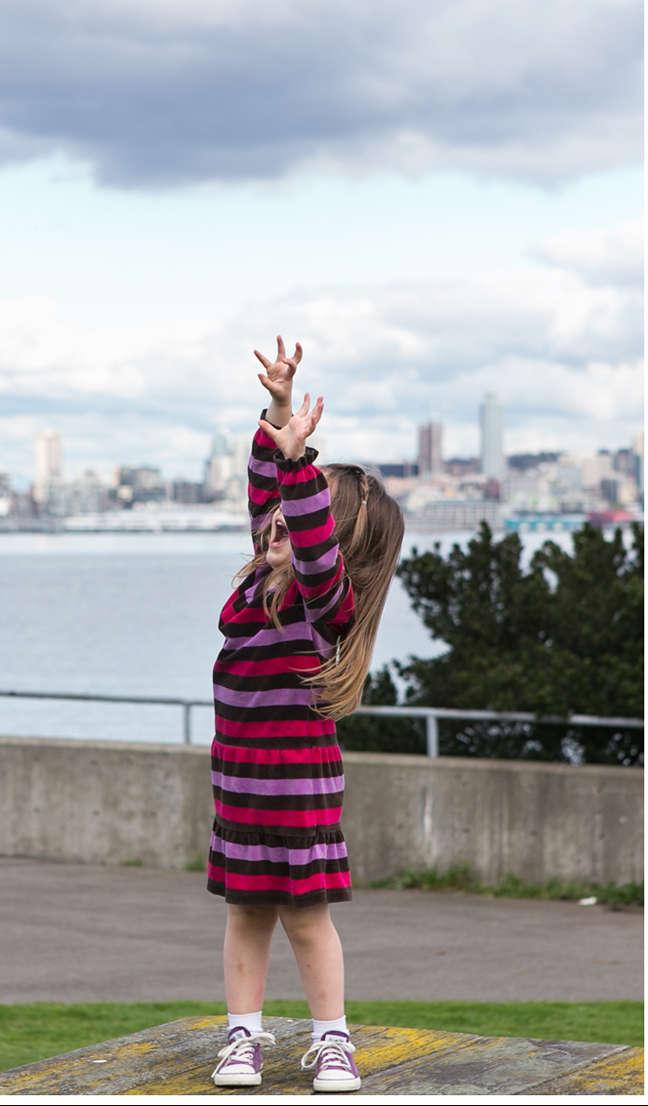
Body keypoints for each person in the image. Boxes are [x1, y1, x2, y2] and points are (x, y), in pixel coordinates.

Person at [207, 337, 405, 1093]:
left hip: (301, 794)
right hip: (242, 790)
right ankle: (242, 1038)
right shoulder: (259, 580)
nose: (281, 523)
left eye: (301, 513)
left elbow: (312, 540)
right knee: (245, 917)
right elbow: (268, 498)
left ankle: (332, 1041)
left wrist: (299, 471)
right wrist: (279, 414)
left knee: (306, 919)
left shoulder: (326, 606)